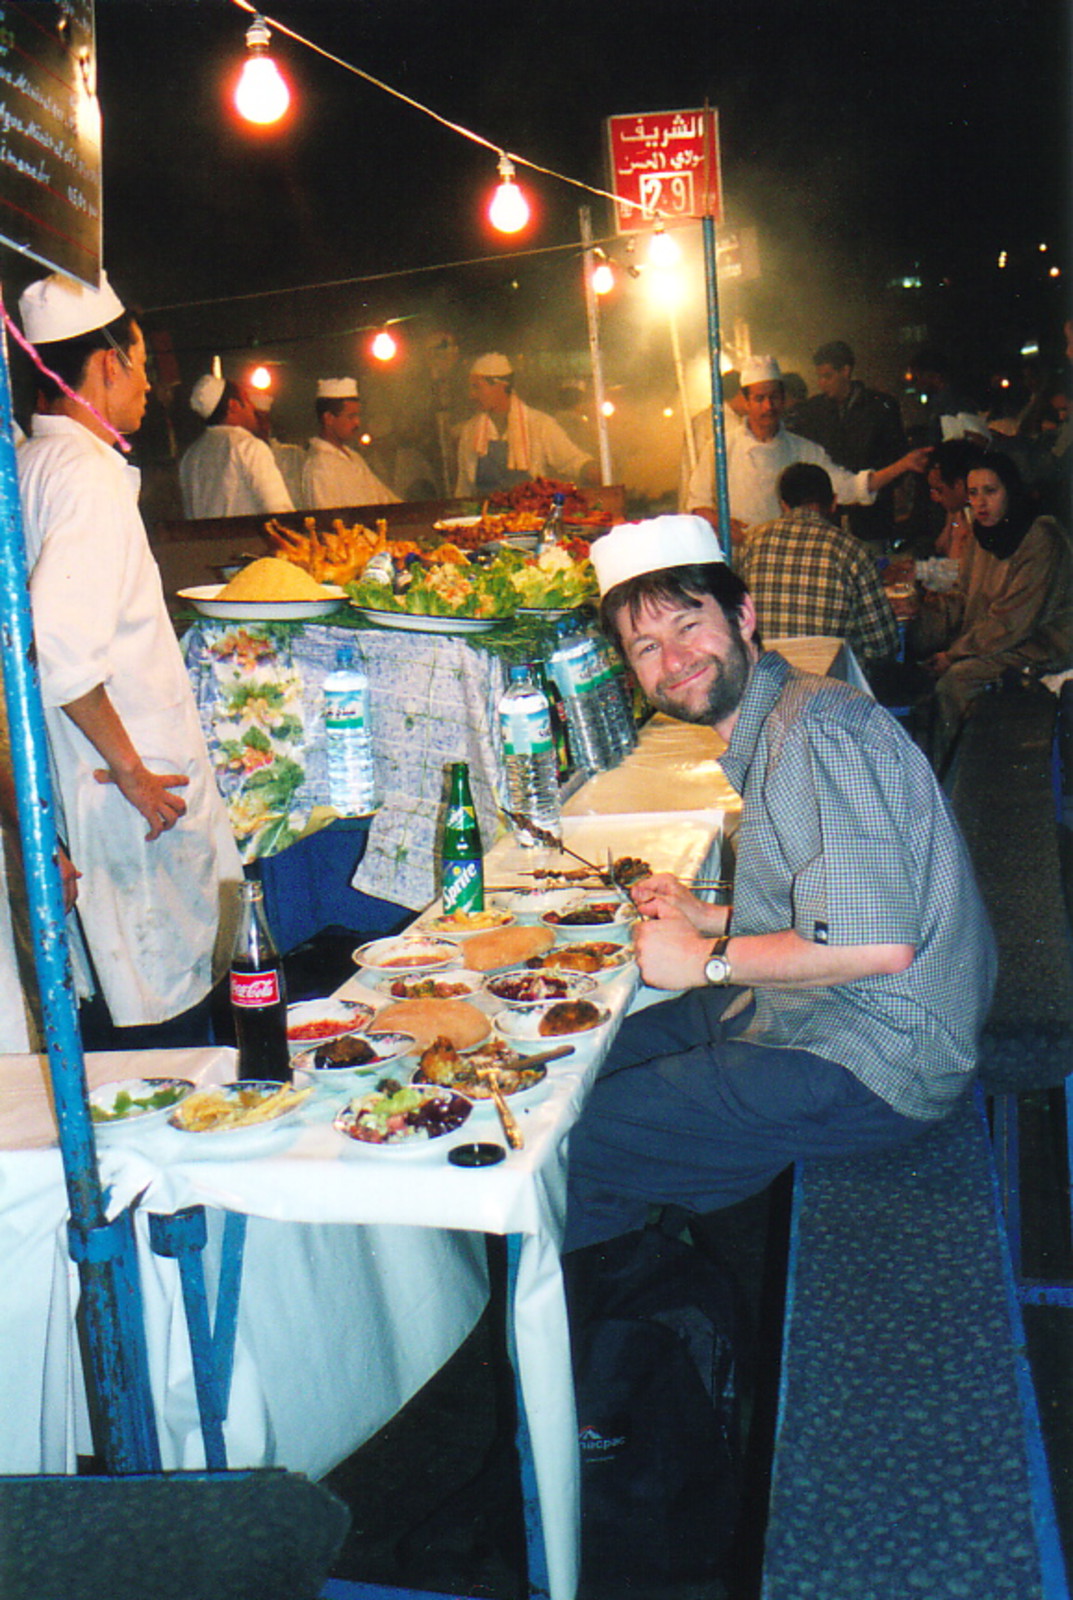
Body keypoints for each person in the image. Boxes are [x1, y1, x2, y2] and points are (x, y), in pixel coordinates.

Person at [560, 513, 996, 1253]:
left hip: (880, 1053)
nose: (673, 659)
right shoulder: (783, 716)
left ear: (743, 615)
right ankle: (669, 1241)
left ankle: (619, 1326)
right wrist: (706, 912)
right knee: (587, 1063)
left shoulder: (810, 734)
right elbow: (835, 889)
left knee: (576, 1139)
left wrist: (705, 961)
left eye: (687, 626)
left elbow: (878, 944)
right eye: (645, 646)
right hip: (829, 1009)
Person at [16, 271, 243, 1047]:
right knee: (166, 1031)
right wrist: (136, 771)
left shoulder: (35, 465)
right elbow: (62, 648)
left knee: (128, 1009)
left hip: (91, 793)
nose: (151, 385)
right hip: (130, 800)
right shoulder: (84, 478)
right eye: (142, 364)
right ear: (107, 363)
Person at [911, 451, 1073, 773]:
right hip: (999, 642)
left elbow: (1012, 621)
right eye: (973, 493)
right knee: (919, 667)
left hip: (1044, 643)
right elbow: (961, 598)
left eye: (991, 491)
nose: (981, 503)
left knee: (956, 681)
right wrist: (920, 613)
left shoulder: (1040, 537)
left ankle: (952, 785)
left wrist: (954, 655)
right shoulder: (982, 535)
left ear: (1010, 490)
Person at [687, 355, 929, 544]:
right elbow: (698, 504)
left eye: (774, 398)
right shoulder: (720, 449)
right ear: (747, 401)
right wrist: (723, 526)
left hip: (790, 562)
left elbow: (848, 487)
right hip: (739, 564)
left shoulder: (803, 450)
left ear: (783, 399)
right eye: (760, 399)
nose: (768, 406)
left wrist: (902, 465)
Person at [739, 462, 899, 668]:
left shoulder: (751, 543)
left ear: (784, 505)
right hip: (830, 689)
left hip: (763, 681)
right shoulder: (851, 550)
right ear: (833, 503)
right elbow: (882, 645)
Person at [789, 340, 908, 545]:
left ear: (845, 371)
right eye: (819, 377)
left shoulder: (880, 407)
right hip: (832, 512)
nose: (822, 383)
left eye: (828, 376)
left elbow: (896, 454)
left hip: (873, 512)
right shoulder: (815, 410)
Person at [454, 353, 598, 498]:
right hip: (484, 515)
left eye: (477, 387)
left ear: (500, 385)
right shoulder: (470, 431)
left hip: (529, 514)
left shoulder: (539, 424)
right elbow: (464, 487)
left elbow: (572, 460)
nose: (471, 395)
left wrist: (592, 472)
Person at [178, 370, 294, 519]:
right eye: (248, 402)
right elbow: (280, 512)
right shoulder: (248, 447)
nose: (253, 408)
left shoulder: (191, 456)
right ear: (233, 405)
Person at [300, 377, 400, 509]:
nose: (357, 423)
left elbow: (386, 500)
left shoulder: (354, 458)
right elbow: (327, 522)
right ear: (329, 418)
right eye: (351, 416)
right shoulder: (319, 466)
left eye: (358, 416)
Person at [926, 440, 977, 561]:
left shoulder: (985, 518)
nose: (934, 498)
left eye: (939, 490)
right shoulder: (961, 513)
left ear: (959, 485)